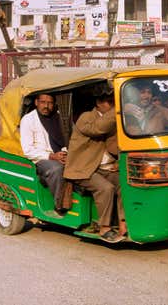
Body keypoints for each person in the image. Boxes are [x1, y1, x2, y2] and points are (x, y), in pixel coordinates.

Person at [64, 88, 125, 243]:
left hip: (103, 167)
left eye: (114, 103)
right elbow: (97, 128)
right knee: (106, 188)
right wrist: (118, 109)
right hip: (83, 169)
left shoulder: (112, 121)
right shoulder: (86, 117)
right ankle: (104, 228)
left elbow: (113, 146)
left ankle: (123, 223)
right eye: (110, 102)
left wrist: (118, 162)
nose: (112, 106)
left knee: (125, 184)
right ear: (98, 103)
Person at [19, 93, 68, 210]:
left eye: (50, 103)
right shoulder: (28, 120)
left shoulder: (59, 118)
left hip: (60, 155)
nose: (46, 106)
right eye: (43, 102)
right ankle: (59, 204)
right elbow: (28, 150)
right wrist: (52, 156)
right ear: (36, 103)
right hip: (41, 159)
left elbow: (67, 139)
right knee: (57, 169)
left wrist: (65, 153)